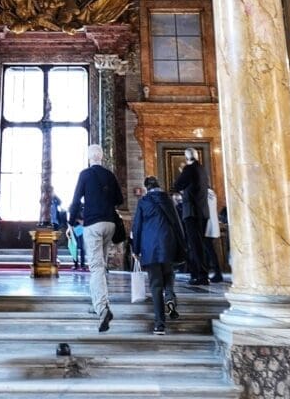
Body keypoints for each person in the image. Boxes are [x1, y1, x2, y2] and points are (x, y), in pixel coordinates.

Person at [68, 143, 123, 332]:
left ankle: (102, 308)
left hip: (93, 224)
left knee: (96, 267)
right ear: (102, 157)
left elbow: (76, 200)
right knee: (102, 265)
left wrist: (70, 222)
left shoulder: (85, 174)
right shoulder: (110, 175)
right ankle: (99, 301)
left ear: (90, 158)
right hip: (110, 224)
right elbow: (119, 200)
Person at [131, 175, 188, 334]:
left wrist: (135, 250)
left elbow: (137, 227)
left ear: (146, 188)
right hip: (168, 243)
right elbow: (178, 223)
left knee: (156, 285)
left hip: (150, 247)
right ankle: (169, 295)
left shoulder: (143, 202)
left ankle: (159, 324)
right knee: (168, 273)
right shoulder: (168, 200)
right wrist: (182, 245)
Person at [172, 147, 209, 285]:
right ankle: (200, 273)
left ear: (187, 158)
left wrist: (181, 191)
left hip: (191, 212)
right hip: (203, 212)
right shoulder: (202, 169)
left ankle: (200, 275)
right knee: (200, 244)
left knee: (194, 245)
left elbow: (177, 185)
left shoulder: (190, 169)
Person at [204, 186, 223, 283]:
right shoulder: (212, 193)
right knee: (209, 250)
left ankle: (217, 273)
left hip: (207, 224)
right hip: (212, 224)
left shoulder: (205, 193)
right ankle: (214, 272)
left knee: (210, 251)